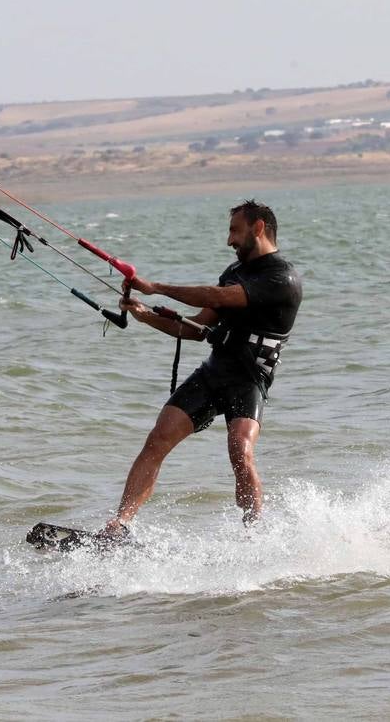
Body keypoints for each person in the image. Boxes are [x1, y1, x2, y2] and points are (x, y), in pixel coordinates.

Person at [100, 200, 302, 542]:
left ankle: (255, 539)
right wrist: (143, 313)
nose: (229, 241)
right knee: (157, 440)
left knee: (240, 450)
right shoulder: (233, 273)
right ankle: (119, 526)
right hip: (214, 372)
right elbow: (194, 329)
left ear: (258, 228)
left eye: (235, 231)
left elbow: (216, 297)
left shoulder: (281, 278)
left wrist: (157, 287)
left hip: (249, 379)